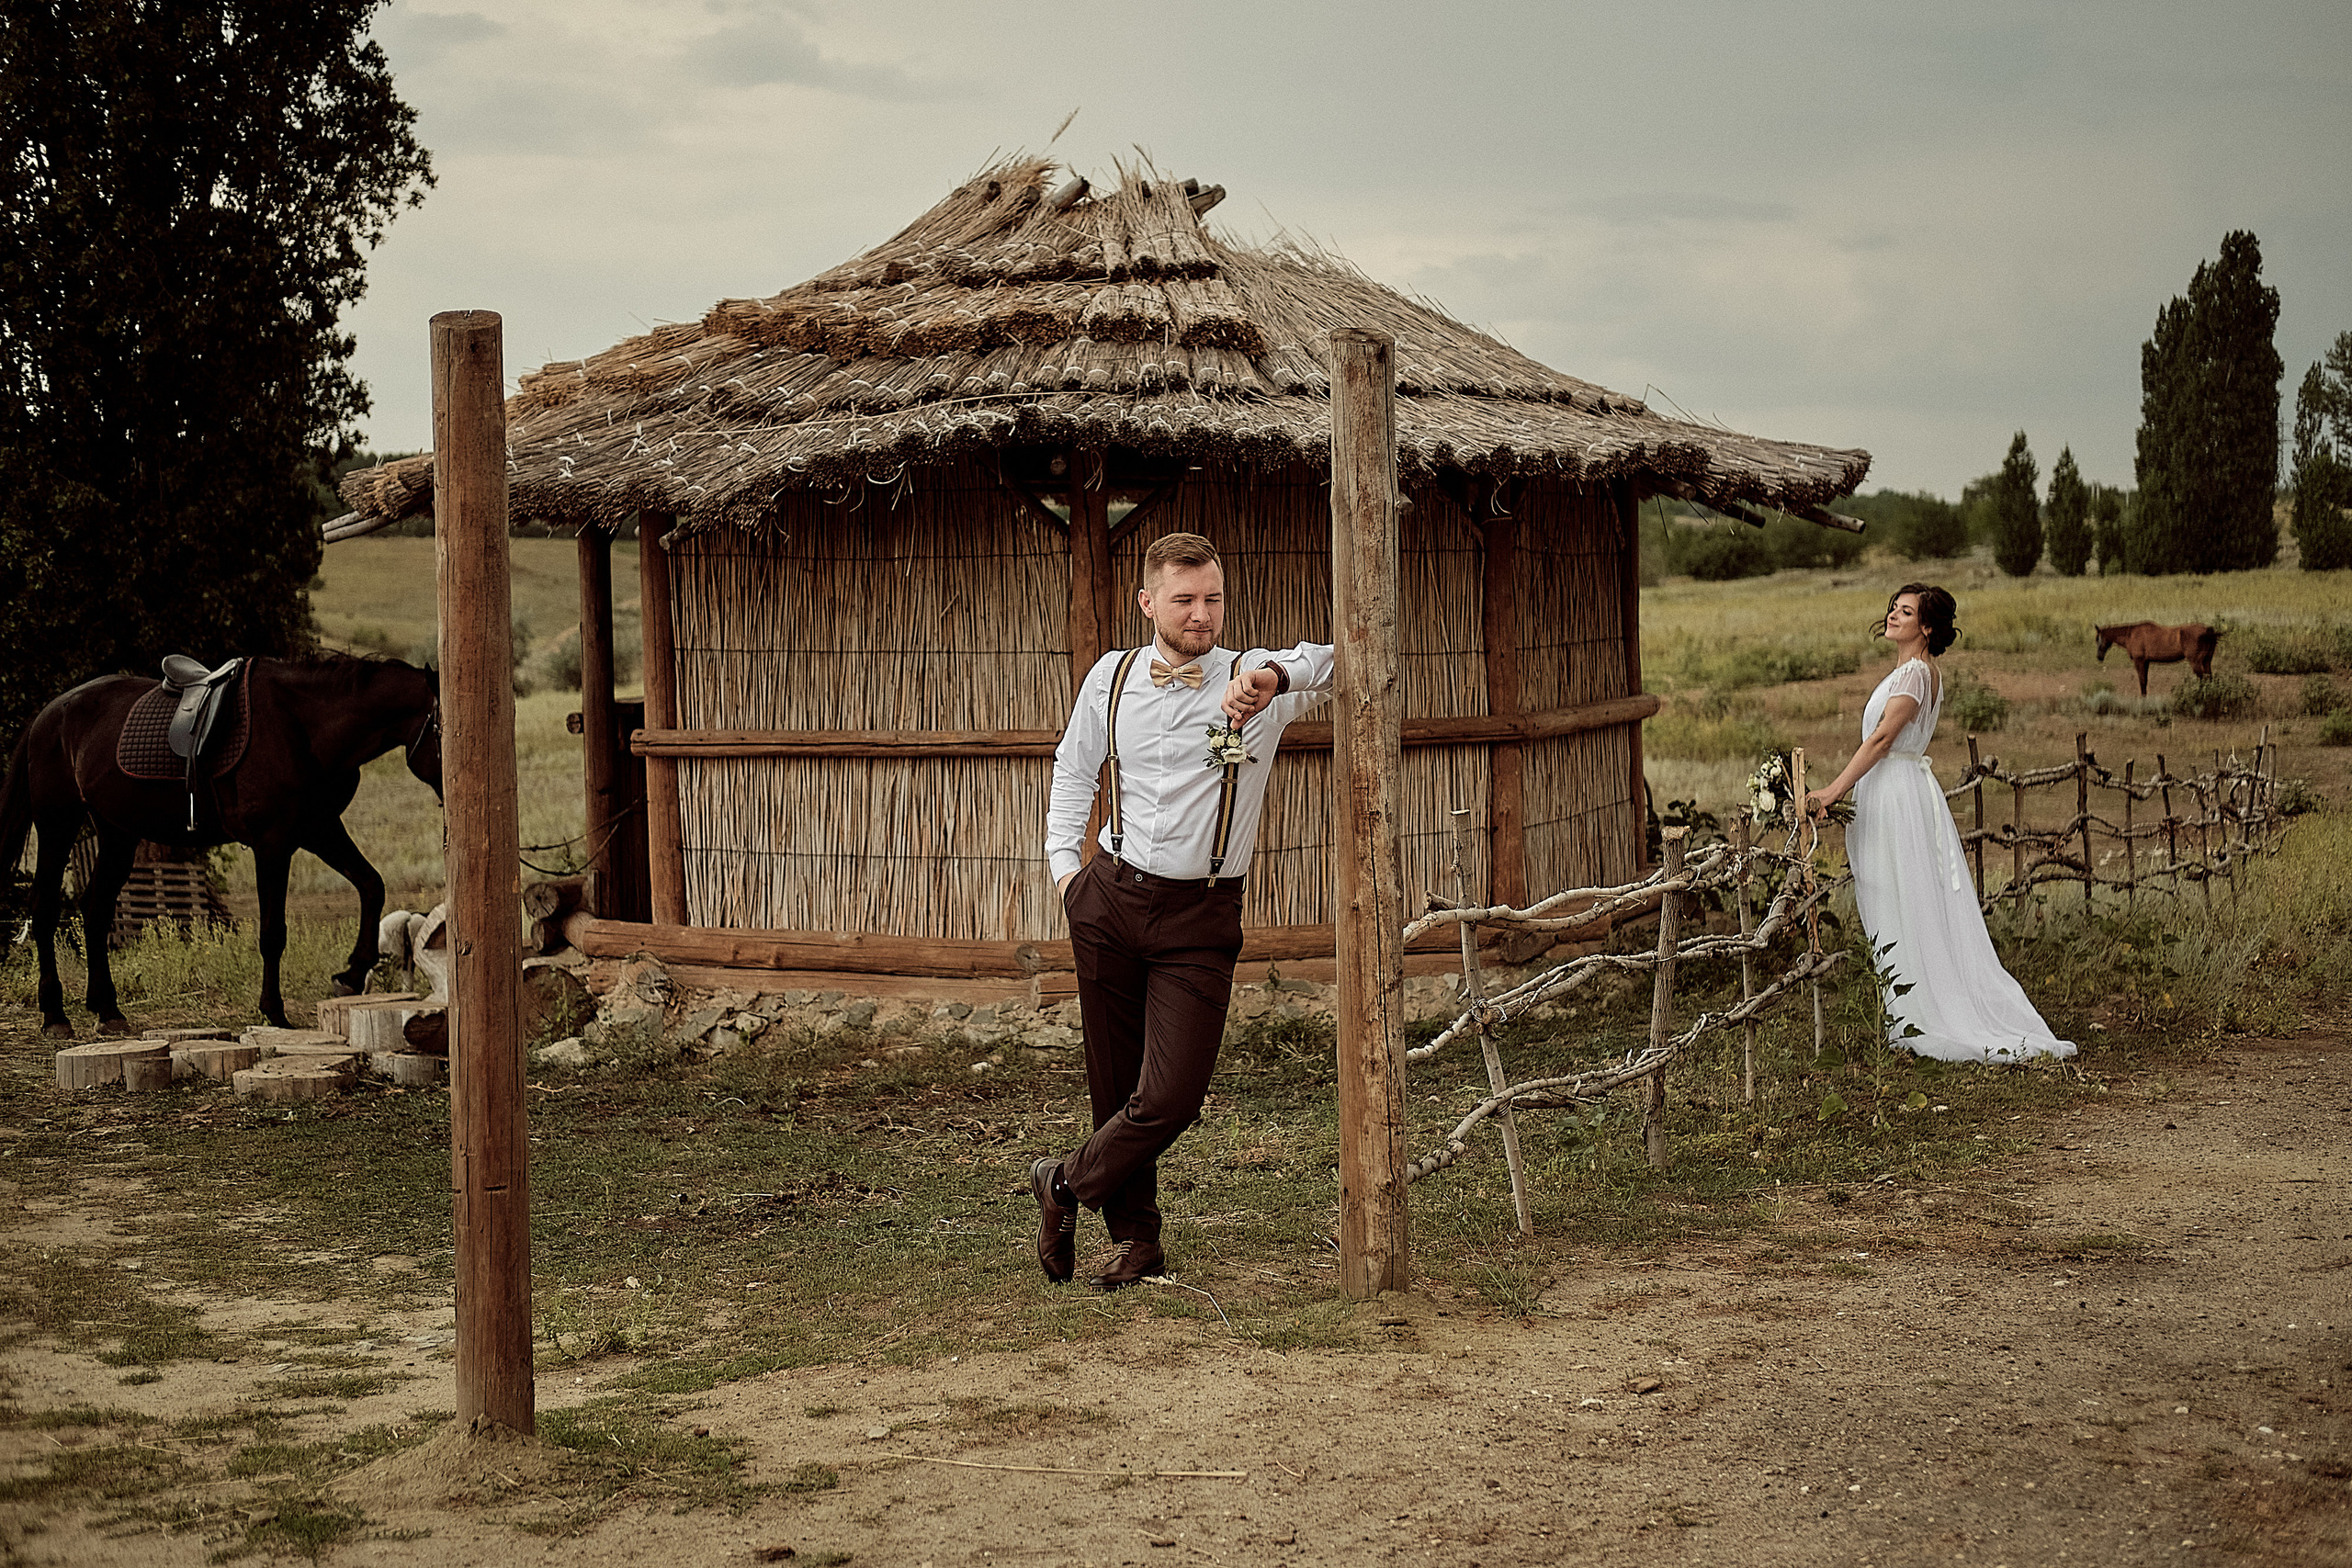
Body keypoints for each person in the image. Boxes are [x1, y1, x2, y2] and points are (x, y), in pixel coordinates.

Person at [1032, 532, 1334, 1288]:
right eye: (1184, 599)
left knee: (1172, 1094)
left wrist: (1274, 669)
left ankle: (1063, 1183)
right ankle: (1137, 1241)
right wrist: (1068, 875)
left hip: (1200, 914)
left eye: (1213, 599)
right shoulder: (1113, 675)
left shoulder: (1256, 683)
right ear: (1148, 603)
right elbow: (1074, 771)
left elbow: (1349, 658)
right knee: (1115, 1082)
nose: (1202, 614)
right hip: (1110, 897)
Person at [1804, 584, 2075, 1065]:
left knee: (1903, 895)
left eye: (1905, 611)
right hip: (1895, 789)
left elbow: (1882, 740)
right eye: (1893, 606)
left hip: (1896, 792)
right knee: (1896, 895)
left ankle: (1924, 1015)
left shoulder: (1913, 675)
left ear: (1926, 627)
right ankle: (1906, 1010)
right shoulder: (1916, 672)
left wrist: (1832, 791)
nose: (1892, 615)